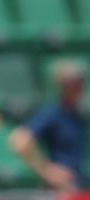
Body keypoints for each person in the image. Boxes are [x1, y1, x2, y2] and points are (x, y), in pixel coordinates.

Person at [9, 60, 87, 191]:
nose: (80, 87)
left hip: (78, 184)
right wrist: (45, 170)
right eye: (75, 83)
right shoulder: (52, 112)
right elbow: (18, 141)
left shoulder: (77, 114)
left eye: (81, 83)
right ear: (63, 86)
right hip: (60, 189)